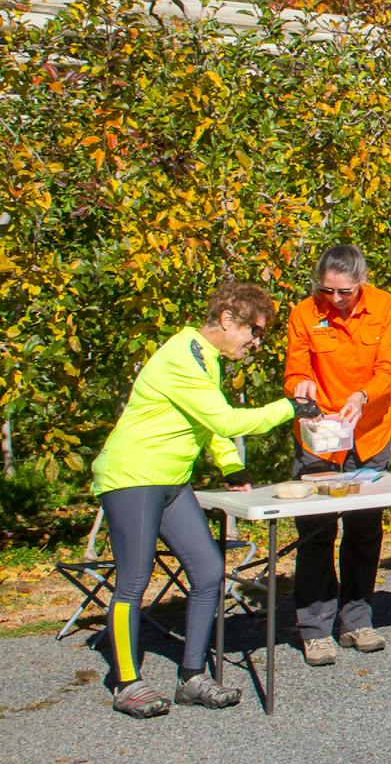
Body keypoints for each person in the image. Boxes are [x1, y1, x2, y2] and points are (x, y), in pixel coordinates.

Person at [89, 281, 308, 718]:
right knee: (133, 579)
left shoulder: (204, 359)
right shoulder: (181, 355)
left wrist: (232, 467)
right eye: (255, 331)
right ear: (228, 320)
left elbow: (207, 422)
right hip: (132, 476)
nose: (256, 342)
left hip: (171, 480)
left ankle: (191, 676)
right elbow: (224, 417)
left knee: (208, 570)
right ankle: (127, 684)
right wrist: (290, 408)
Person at [283, 244, 391, 666]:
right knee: (316, 532)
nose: (335, 299)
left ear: (361, 283)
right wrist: (301, 388)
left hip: (369, 433)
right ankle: (315, 629)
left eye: (344, 291)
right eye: (327, 290)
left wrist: (362, 396)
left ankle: (357, 620)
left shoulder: (383, 307)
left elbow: (388, 368)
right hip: (320, 438)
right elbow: (296, 369)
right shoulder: (304, 313)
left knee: (365, 531)